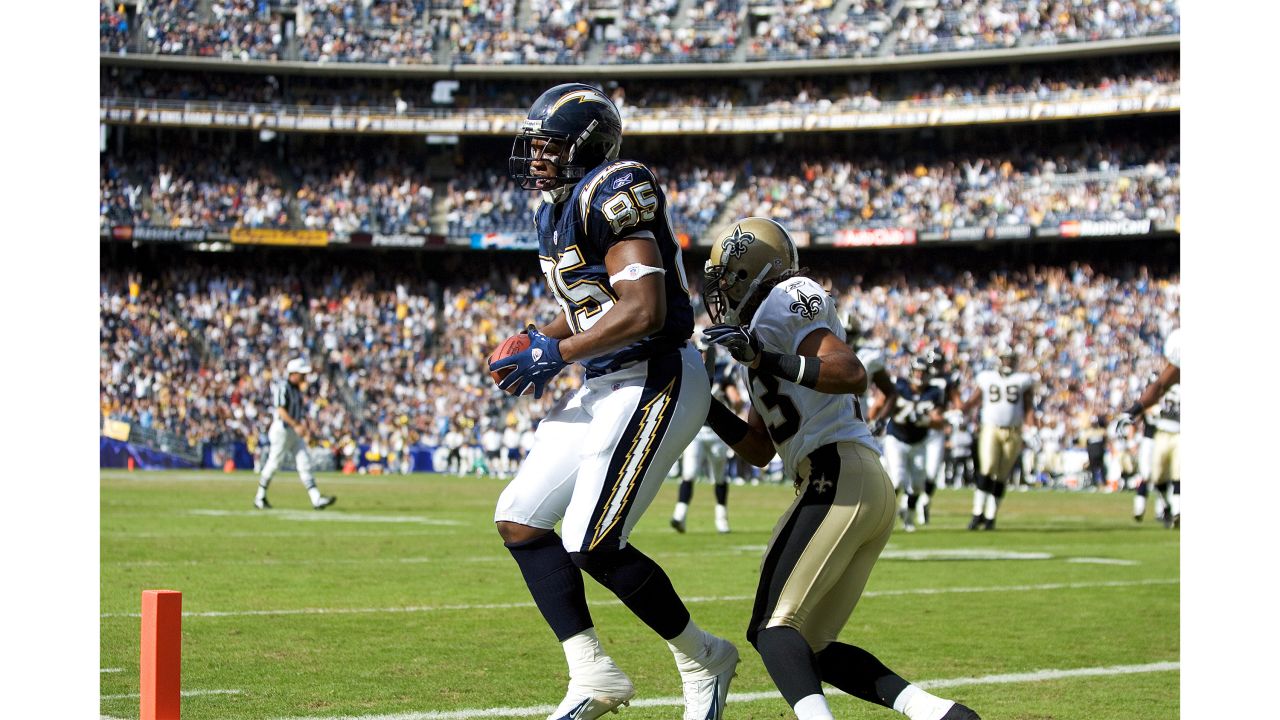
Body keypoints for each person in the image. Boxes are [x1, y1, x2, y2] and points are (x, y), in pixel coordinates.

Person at [489, 83, 738, 720]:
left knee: (592, 539)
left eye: (549, 145)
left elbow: (645, 309)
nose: (536, 157)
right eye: (535, 144)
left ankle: (703, 656)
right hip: (607, 382)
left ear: (588, 145)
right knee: (520, 519)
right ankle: (591, 672)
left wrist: (556, 355)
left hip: (656, 374)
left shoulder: (613, 187)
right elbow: (593, 307)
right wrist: (544, 333)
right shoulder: (556, 208)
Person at [700, 216, 980, 720]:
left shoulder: (788, 296)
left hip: (837, 476)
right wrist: (704, 404)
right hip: (848, 479)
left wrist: (764, 357)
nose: (719, 291)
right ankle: (942, 715)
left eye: (725, 278)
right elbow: (759, 448)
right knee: (811, 647)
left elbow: (850, 373)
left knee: (772, 629)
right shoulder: (759, 337)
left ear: (750, 270)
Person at [960, 346, 1036, 530]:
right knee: (987, 468)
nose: (1008, 362)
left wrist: (1032, 427)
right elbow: (974, 400)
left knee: (1002, 474)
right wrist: (960, 410)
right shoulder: (987, 378)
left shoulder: (1022, 380)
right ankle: (978, 512)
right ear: (999, 360)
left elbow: (1028, 407)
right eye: (1005, 359)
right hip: (991, 428)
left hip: (1014, 430)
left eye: (1011, 359)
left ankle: (991, 515)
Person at [1116, 327, 1180, 527]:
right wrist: (1133, 411)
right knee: (1157, 473)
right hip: (1166, 432)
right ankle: (1172, 509)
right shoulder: (1178, 364)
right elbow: (1160, 386)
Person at [672, 341, 737, 534]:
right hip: (697, 431)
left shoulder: (722, 372)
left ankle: (721, 519)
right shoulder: (691, 370)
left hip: (717, 432)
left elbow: (736, 399)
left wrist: (735, 406)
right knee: (689, 474)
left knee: (718, 477)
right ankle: (679, 516)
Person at [254, 358, 336, 510]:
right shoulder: (283, 387)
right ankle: (259, 497)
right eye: (302, 374)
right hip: (282, 430)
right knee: (274, 463)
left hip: (293, 430)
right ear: (294, 374)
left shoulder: (297, 390)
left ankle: (316, 498)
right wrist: (296, 425)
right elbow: (281, 410)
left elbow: (298, 413)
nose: (305, 377)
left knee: (304, 462)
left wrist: (304, 429)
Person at [884, 357, 947, 532]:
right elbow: (884, 403)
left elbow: (939, 421)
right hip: (896, 439)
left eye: (923, 372)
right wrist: (881, 418)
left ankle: (908, 517)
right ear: (911, 372)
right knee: (897, 480)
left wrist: (925, 419)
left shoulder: (934, 392)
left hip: (919, 441)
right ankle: (883, 516)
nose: (919, 375)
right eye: (917, 371)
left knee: (917, 485)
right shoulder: (899, 386)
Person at [919, 347, 960, 524]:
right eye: (933, 363)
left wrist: (954, 414)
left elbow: (956, 402)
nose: (935, 366)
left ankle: (925, 500)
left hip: (936, 429)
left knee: (932, 471)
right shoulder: (918, 378)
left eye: (938, 363)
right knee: (915, 470)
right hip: (917, 429)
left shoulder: (946, 380)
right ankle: (910, 502)